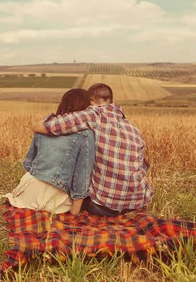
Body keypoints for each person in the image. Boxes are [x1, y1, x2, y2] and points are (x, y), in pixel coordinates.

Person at [32, 83, 152, 216]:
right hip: (138, 202)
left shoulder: (93, 115)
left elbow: (46, 126)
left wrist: (36, 125)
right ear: (112, 101)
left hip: (105, 207)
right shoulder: (132, 128)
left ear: (91, 102)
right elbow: (143, 165)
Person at [0, 89, 95, 215]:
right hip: (51, 196)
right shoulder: (85, 134)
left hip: (27, 187)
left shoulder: (46, 127)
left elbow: (29, 163)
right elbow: (82, 176)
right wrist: (75, 212)